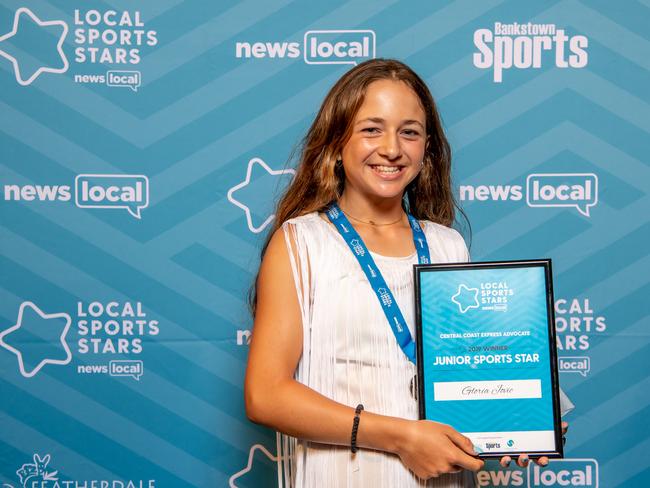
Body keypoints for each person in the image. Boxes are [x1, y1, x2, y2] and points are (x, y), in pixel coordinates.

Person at [245, 58, 566, 487]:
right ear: (337, 141)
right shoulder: (301, 243)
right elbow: (265, 395)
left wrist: (524, 423)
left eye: (409, 132)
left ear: (427, 148)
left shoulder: (446, 245)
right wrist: (401, 438)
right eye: (371, 129)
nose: (392, 148)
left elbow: (474, 370)